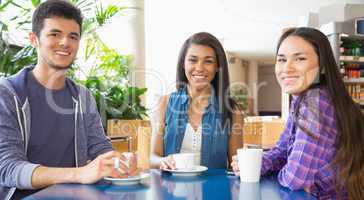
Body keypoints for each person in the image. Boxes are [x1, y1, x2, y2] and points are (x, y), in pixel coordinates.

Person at [0, 1, 137, 199]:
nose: (65, 42)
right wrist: (80, 173)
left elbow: (100, 148)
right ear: (34, 39)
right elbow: (8, 168)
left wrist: (116, 161)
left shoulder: (83, 96)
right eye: (54, 34)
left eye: (73, 36)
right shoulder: (7, 93)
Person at [232, 27, 364, 199]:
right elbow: (281, 150)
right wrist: (257, 163)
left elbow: (295, 179)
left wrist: (280, 169)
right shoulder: (301, 100)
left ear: (322, 65)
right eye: (281, 59)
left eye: (300, 58)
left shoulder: (316, 102)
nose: (287, 68)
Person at [150, 32, 243, 170]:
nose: (199, 68)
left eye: (208, 61)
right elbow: (152, 157)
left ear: (218, 67)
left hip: (214, 189)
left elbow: (235, 163)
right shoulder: (164, 103)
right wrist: (162, 161)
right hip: (171, 188)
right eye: (193, 60)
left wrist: (243, 164)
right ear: (183, 63)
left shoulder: (231, 110)